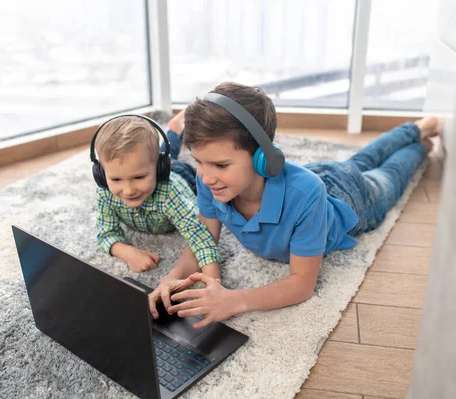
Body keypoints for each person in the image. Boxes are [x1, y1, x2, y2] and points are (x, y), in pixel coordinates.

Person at [148, 82, 438, 329]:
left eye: (221, 164)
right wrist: (170, 280)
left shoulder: (306, 194)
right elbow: (202, 241)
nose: (206, 175)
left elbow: (301, 284)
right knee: (359, 161)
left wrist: (234, 300)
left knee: (388, 176)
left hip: (354, 198)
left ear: (265, 158)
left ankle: (418, 138)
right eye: (198, 161)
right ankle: (416, 129)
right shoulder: (212, 180)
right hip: (319, 175)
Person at [93, 114, 221, 279]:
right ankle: (174, 129)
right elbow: (105, 233)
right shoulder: (105, 192)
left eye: (138, 178)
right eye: (116, 179)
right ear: (101, 175)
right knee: (159, 155)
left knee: (172, 159)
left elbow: (199, 236)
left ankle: (176, 133)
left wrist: (213, 281)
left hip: (181, 175)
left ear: (160, 169)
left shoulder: (170, 193)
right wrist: (126, 252)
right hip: (157, 168)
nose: (128, 190)